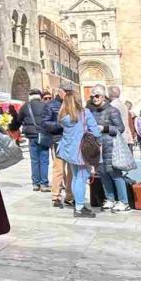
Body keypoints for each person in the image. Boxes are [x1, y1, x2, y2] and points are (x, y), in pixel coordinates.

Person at [57, 90, 101, 218]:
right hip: (82, 151)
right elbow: (95, 131)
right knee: (81, 178)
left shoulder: (63, 116)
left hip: (68, 150)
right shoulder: (84, 113)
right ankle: (79, 208)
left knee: (76, 177)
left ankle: (78, 204)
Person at [87, 85, 131, 213]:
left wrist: (104, 128)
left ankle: (123, 201)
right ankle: (110, 199)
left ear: (103, 96)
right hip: (98, 146)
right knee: (103, 173)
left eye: (97, 96)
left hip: (111, 146)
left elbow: (120, 128)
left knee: (115, 173)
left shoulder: (112, 111)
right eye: (92, 97)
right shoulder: (93, 112)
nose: (94, 99)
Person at [42, 85, 74, 208]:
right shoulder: (51, 105)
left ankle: (70, 196)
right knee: (58, 170)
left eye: (69, 92)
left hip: (71, 141)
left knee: (71, 171)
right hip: (58, 140)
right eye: (65, 91)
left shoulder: (73, 104)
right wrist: (61, 125)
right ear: (59, 91)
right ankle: (55, 196)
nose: (67, 94)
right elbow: (45, 123)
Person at [12, 88, 50, 192]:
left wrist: (13, 128)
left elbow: (18, 120)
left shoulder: (25, 106)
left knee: (34, 160)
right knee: (44, 160)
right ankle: (44, 183)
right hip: (43, 136)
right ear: (40, 96)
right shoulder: (45, 106)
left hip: (32, 137)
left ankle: (35, 184)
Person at [108, 86, 135, 153]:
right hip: (126, 135)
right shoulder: (124, 106)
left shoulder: (112, 106)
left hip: (117, 136)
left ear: (109, 94)